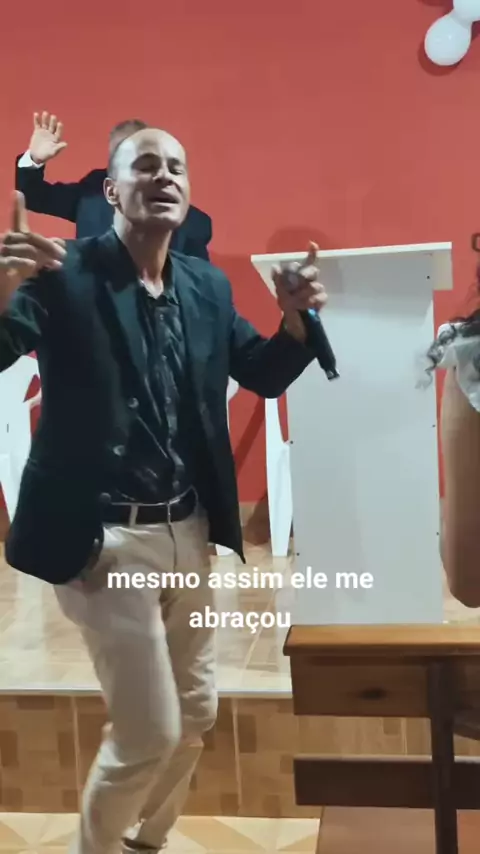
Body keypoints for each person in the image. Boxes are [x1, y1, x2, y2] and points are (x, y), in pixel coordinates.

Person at [0, 125, 326, 854]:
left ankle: (147, 837)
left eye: (176, 166)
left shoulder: (206, 286)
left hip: (188, 529)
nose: (164, 176)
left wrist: (296, 320)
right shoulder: (63, 271)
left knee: (197, 710)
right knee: (149, 730)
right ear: (111, 190)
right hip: (103, 536)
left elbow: (263, 372)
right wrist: (2, 293)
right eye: (145, 165)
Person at [14, 112, 212, 258]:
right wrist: (34, 159)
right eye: (117, 153)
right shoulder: (92, 190)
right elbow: (33, 196)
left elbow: (197, 290)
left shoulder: (190, 223)